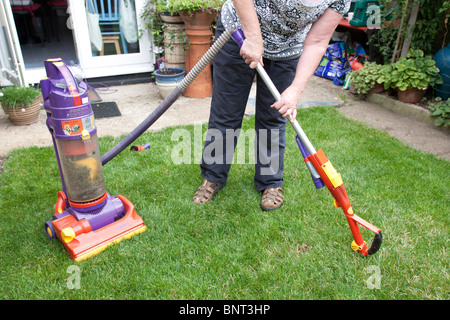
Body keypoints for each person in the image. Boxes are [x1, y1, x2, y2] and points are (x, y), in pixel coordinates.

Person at [193, 0, 350, 210]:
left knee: (274, 116)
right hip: (239, 32)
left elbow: (318, 41)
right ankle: (213, 176)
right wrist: (253, 38)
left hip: (287, 49)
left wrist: (296, 89)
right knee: (227, 112)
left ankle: (270, 182)